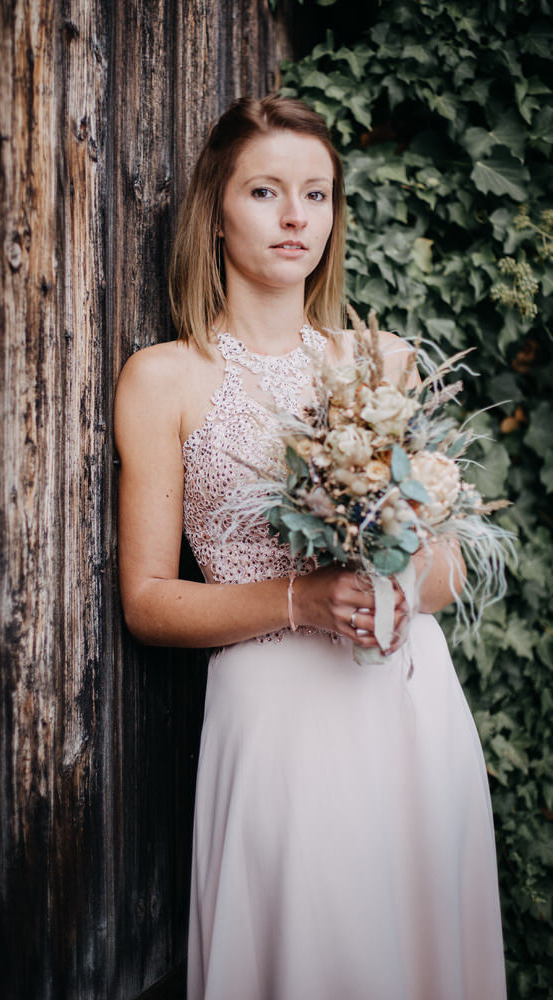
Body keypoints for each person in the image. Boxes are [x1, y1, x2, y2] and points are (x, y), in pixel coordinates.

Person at [114, 96, 507, 1000]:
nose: (297, 218)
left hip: (403, 702)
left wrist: (405, 584)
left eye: (317, 195)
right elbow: (146, 599)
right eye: (265, 191)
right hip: (276, 718)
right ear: (216, 208)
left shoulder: (384, 362)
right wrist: (300, 599)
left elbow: (442, 561)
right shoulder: (165, 377)